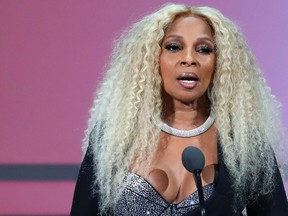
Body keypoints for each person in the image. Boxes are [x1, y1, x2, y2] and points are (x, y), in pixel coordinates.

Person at [70, 3, 288, 216]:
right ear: (153, 59)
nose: (189, 59)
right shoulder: (113, 138)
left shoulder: (245, 145)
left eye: (204, 49)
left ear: (220, 63)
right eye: (174, 47)